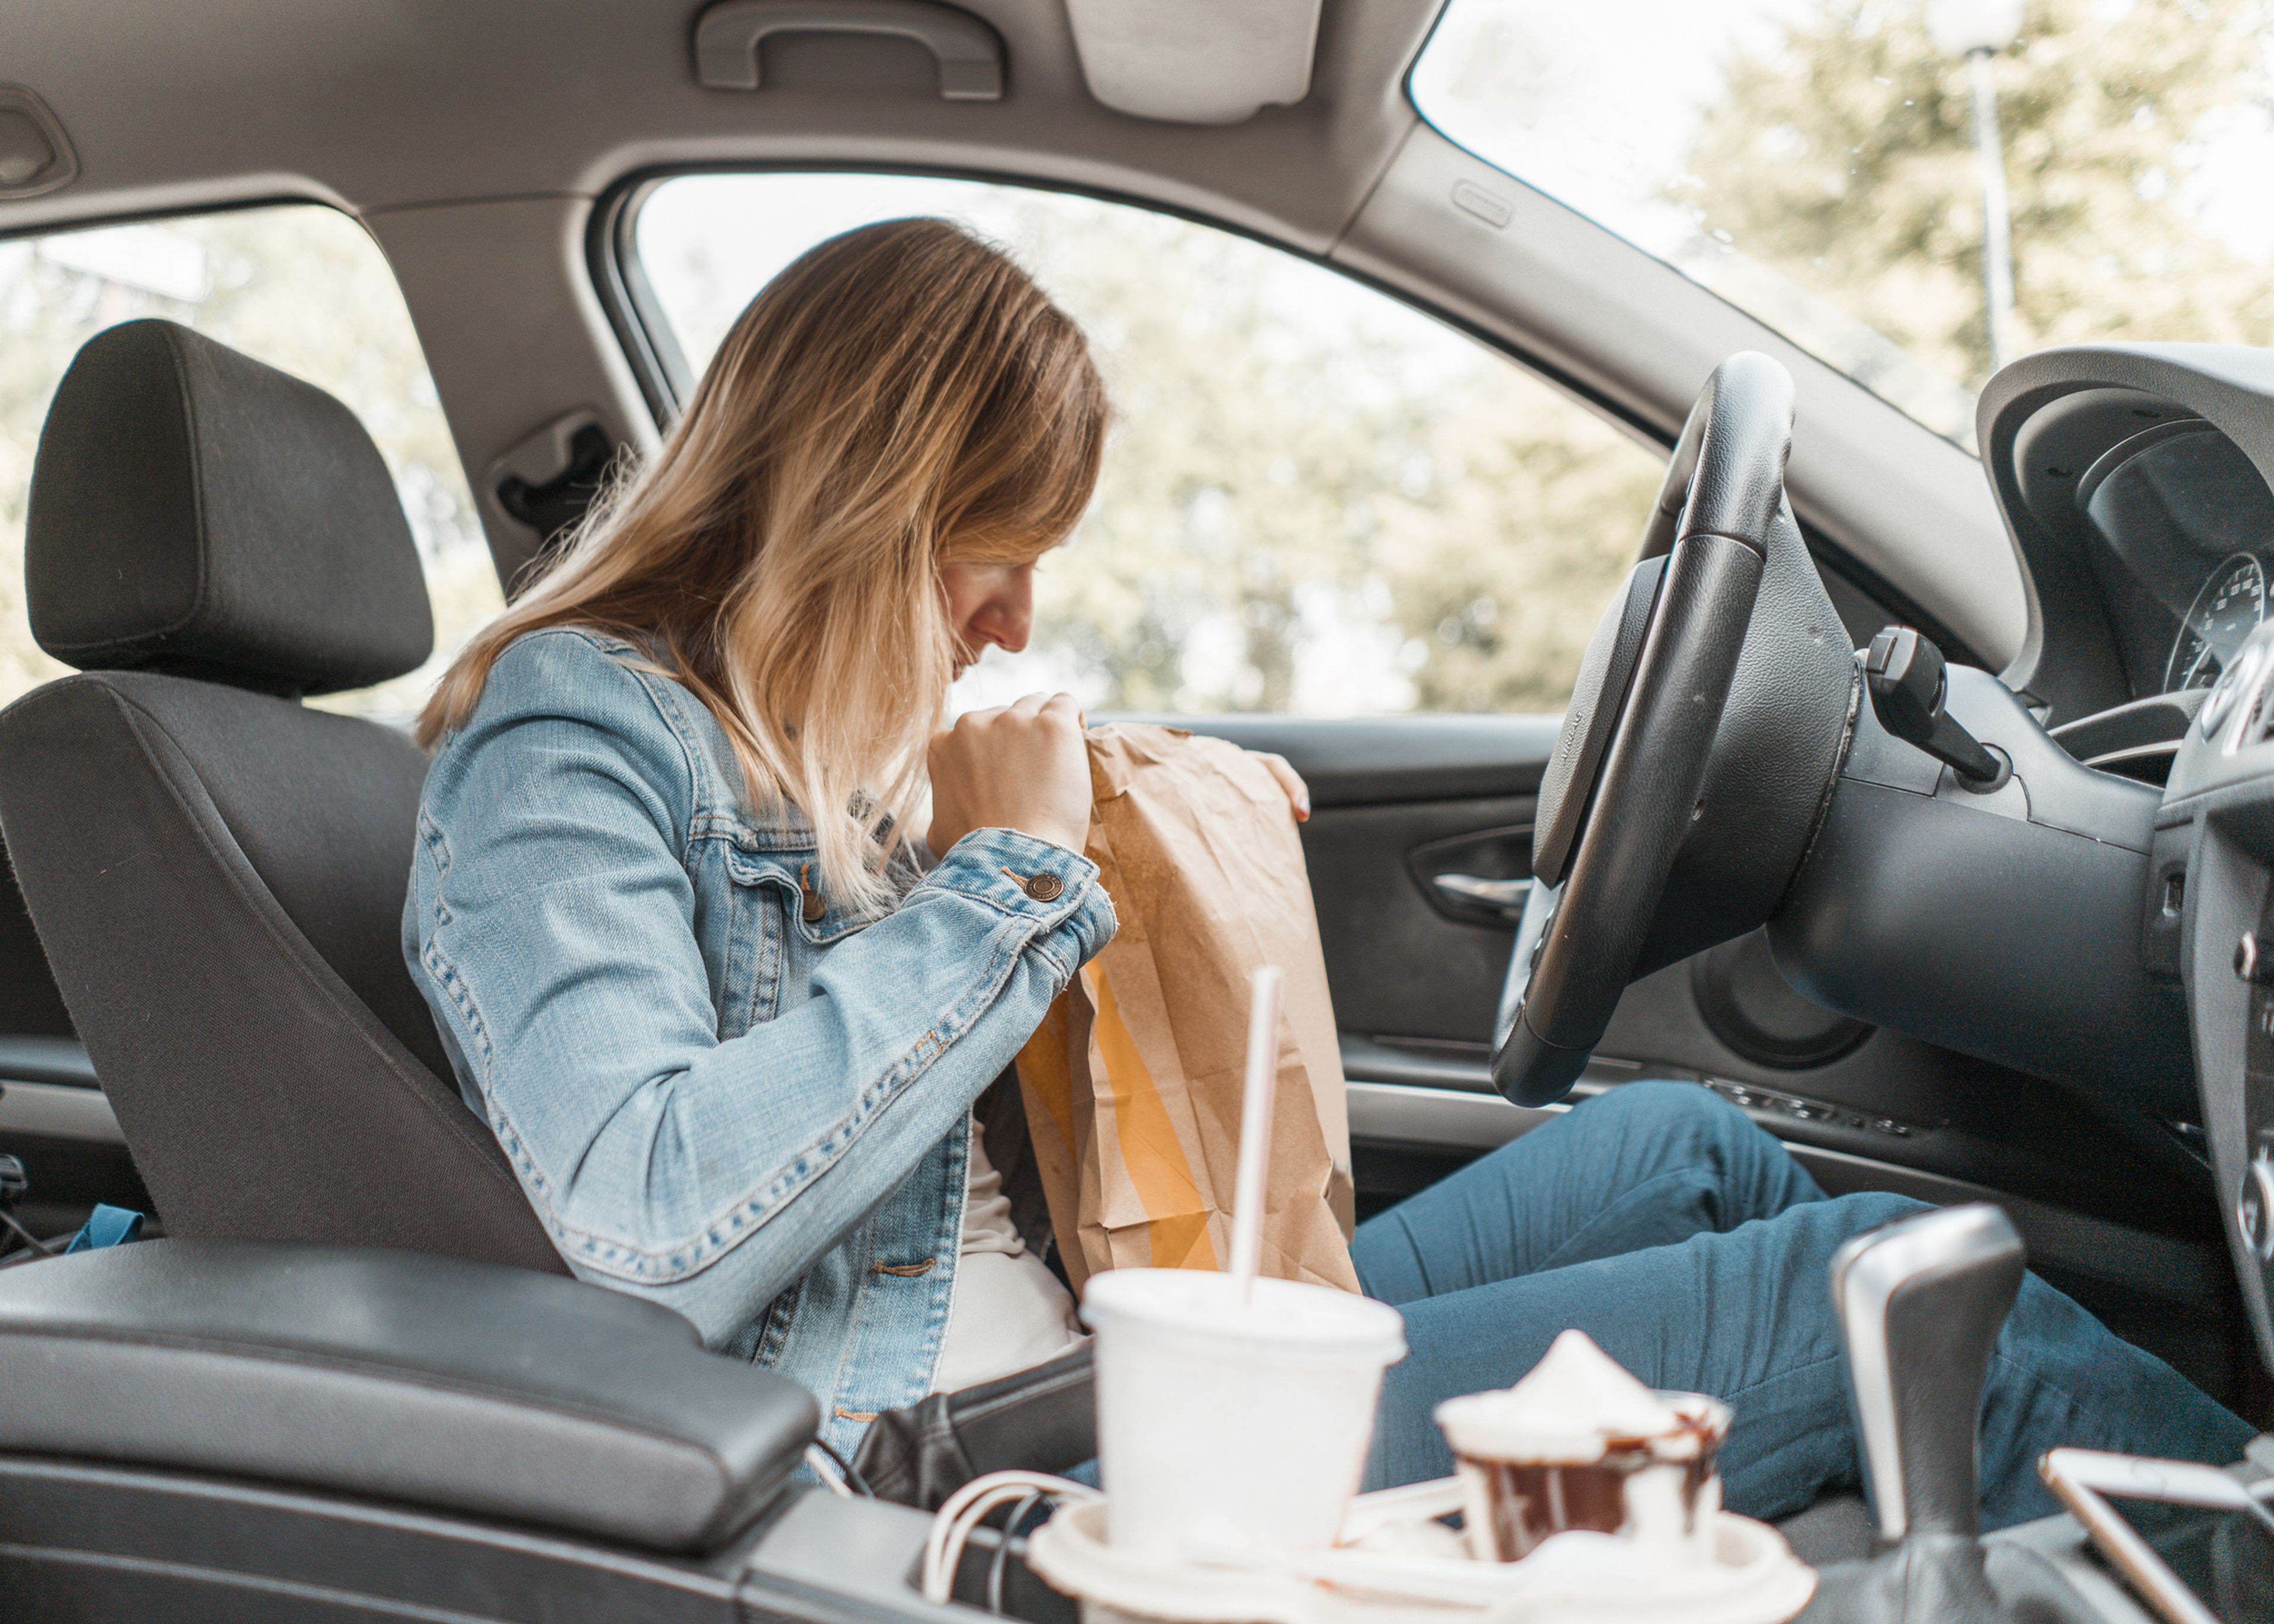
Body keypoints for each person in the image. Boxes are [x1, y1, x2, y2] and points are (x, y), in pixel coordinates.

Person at [404, 218, 2249, 1527]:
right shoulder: (572, 738)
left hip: (1097, 1354)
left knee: (1695, 1154)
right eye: (998, 548)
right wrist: (1012, 885)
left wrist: (1153, 834)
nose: (1017, 618)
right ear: (865, 503)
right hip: (973, 1465)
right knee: (1873, 1288)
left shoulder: (807, 753)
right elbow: (651, 1229)